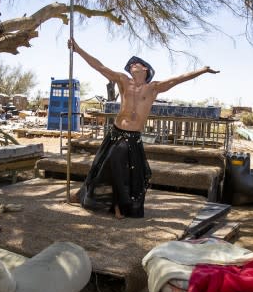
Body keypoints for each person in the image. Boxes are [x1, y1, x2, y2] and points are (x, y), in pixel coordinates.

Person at [68, 38, 220, 219]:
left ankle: (116, 204)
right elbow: (99, 67)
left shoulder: (154, 88)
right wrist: (78, 49)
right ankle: (97, 199)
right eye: (130, 64)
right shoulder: (123, 80)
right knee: (101, 165)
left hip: (133, 137)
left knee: (120, 166)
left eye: (136, 63)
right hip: (116, 132)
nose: (132, 65)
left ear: (145, 69)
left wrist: (202, 70)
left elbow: (179, 79)